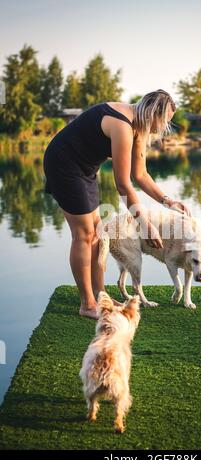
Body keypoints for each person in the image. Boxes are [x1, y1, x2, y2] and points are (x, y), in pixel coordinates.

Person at [43, 89, 190, 319]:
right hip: (64, 164)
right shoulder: (122, 125)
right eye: (162, 123)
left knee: (98, 234)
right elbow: (123, 185)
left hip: (86, 168)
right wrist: (144, 224)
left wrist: (167, 201)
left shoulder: (138, 127)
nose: (160, 129)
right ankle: (87, 304)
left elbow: (140, 175)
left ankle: (99, 295)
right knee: (84, 234)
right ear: (152, 114)